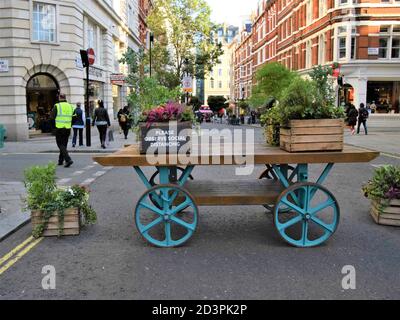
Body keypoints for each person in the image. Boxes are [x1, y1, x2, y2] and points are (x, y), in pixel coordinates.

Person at [52, 93, 74, 168]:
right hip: (67, 128)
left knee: (60, 145)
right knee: (64, 145)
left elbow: (52, 117)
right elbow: (75, 117)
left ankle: (68, 160)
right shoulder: (71, 106)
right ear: (65, 97)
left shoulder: (57, 106)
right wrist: (70, 124)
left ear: (59, 98)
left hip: (59, 128)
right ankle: (60, 160)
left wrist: (53, 127)